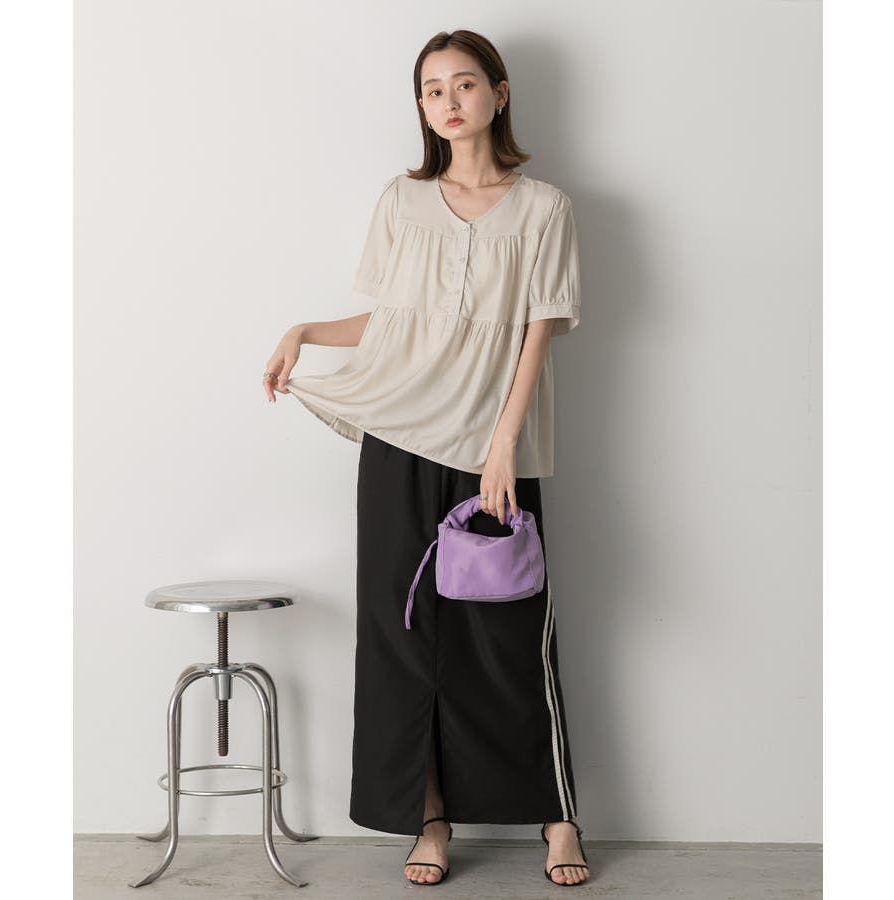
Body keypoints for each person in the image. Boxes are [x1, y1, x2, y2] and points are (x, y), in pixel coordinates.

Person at [262, 29, 590, 888]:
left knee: (509, 632)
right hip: (399, 439)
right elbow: (394, 322)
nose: (449, 100)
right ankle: (428, 816)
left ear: (499, 93)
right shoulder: (402, 201)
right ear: (421, 106)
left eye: (465, 84)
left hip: (494, 452)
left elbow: (538, 332)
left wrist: (504, 445)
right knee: (403, 635)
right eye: (433, 89)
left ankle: (558, 817)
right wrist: (305, 330)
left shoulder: (544, 207)